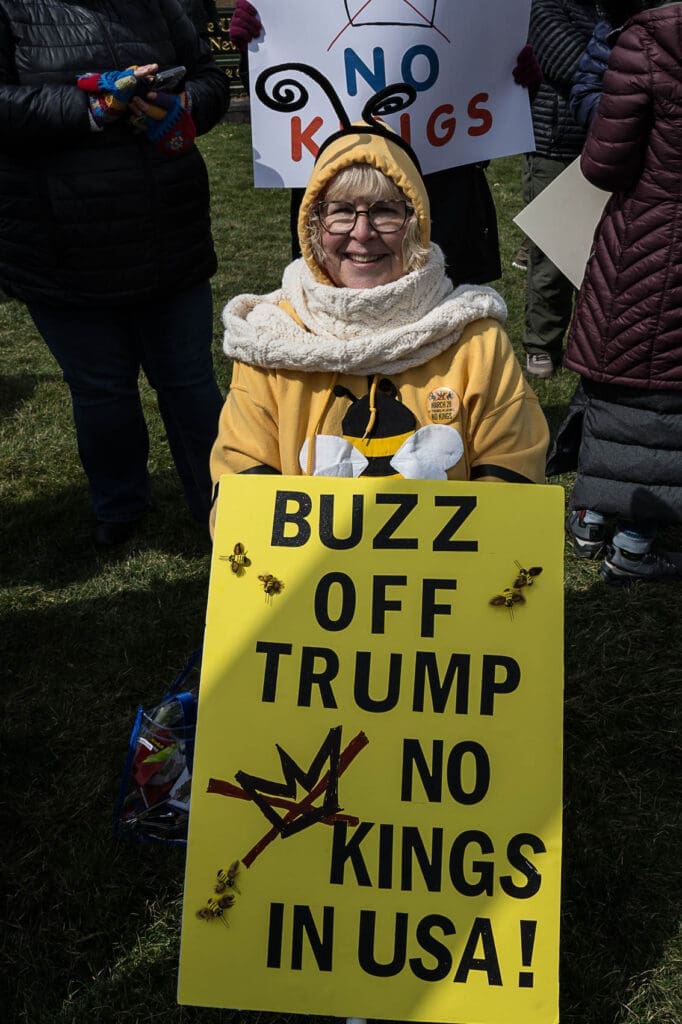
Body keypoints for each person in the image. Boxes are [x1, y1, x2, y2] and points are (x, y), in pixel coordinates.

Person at [209, 115, 549, 534]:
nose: (363, 232)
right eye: (341, 212)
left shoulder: (475, 340)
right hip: (305, 572)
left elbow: (513, 468)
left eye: (386, 211)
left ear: (417, 224)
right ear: (313, 227)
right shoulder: (271, 339)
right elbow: (242, 473)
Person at [0, 0, 231, 546]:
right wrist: (91, 107)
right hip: (61, 244)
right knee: (101, 391)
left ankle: (223, 503)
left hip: (169, 232)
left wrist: (180, 103)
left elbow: (209, 77)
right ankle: (121, 507)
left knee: (190, 383)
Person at [228, 0, 542, 287]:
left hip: (446, 210)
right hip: (343, 211)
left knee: (447, 321)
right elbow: (287, 101)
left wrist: (512, 83)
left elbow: (476, 98)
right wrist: (259, 50)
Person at [549, 0, 682, 584]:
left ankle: (594, 520)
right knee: (665, 395)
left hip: (644, 234)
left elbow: (603, 163)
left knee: (621, 373)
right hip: (657, 237)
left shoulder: (649, 37)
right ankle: (630, 539)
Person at [521, 0, 601, 379]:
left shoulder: (606, 9)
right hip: (556, 146)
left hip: (605, 143)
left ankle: (593, 343)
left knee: (602, 253)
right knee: (551, 256)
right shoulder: (545, 6)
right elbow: (571, 63)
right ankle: (542, 344)